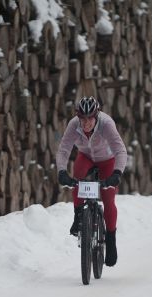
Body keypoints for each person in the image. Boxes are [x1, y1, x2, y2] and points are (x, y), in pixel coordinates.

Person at [56, 96, 128, 266]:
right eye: (82, 118)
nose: (86, 122)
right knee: (78, 176)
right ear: (78, 117)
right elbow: (64, 150)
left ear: (97, 116)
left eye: (90, 118)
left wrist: (117, 172)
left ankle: (110, 239)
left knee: (108, 198)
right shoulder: (74, 125)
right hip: (86, 157)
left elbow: (120, 151)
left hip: (107, 160)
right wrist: (61, 171)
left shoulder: (107, 124)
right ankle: (78, 216)